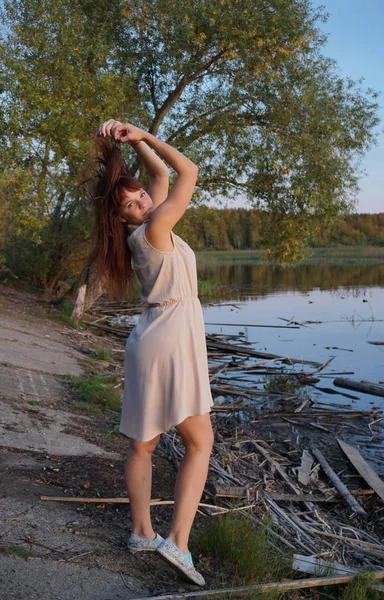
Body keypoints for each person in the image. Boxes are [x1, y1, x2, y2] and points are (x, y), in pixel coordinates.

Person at [91, 119, 214, 586]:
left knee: (142, 445)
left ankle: (142, 533)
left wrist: (135, 143)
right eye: (130, 204)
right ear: (122, 217)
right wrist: (145, 135)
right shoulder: (156, 226)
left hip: (148, 337)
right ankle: (178, 544)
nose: (142, 200)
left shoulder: (139, 231)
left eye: (139, 195)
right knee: (200, 442)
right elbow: (188, 172)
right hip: (173, 336)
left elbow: (161, 179)